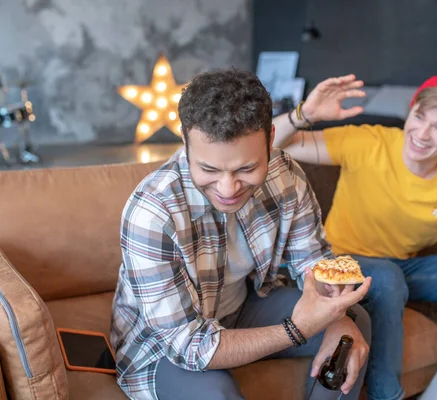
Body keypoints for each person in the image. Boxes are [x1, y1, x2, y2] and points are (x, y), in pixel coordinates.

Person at [110, 69, 373, 400]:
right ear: (185, 139)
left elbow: (313, 261)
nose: (228, 188)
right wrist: (298, 330)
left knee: (354, 322)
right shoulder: (152, 213)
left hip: (242, 309)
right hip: (163, 347)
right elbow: (188, 347)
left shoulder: (286, 174)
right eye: (208, 169)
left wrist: (335, 316)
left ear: (270, 136)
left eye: (246, 169)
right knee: (216, 394)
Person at [272, 70, 437, 400]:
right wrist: (304, 114)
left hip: (403, 267)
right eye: (419, 117)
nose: (421, 134)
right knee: (386, 276)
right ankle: (388, 396)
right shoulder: (371, 141)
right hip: (342, 261)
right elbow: (271, 142)